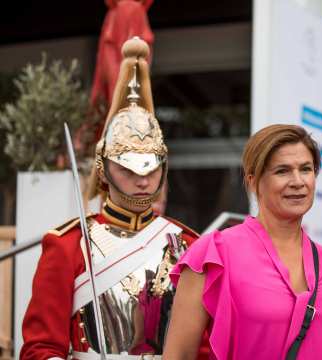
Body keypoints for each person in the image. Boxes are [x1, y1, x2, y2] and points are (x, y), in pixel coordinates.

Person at [20, 38, 201, 359]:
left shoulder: (187, 243)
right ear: (103, 171)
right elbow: (41, 346)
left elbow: (202, 347)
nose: (143, 180)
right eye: (129, 169)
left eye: (151, 168)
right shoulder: (67, 244)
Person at [163, 124, 322, 359]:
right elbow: (179, 355)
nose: (298, 181)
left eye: (306, 169)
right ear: (253, 181)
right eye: (282, 171)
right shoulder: (214, 254)